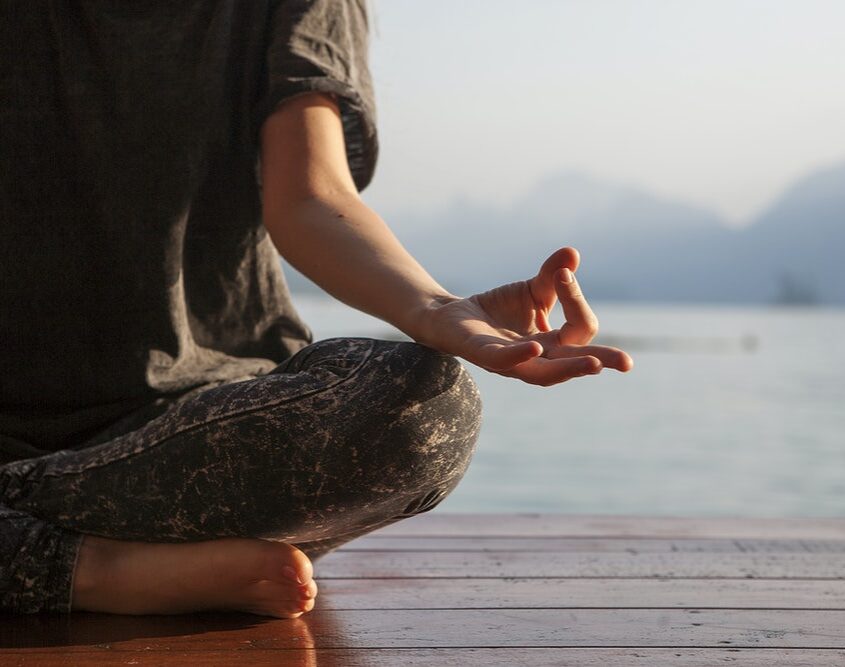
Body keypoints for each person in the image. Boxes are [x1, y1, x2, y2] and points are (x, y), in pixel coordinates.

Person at [0, 1, 632, 617]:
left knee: (428, 407)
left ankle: (38, 548)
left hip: (203, 438)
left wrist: (435, 309)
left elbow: (310, 195)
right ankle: (102, 571)